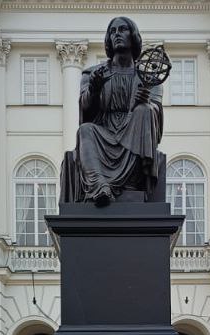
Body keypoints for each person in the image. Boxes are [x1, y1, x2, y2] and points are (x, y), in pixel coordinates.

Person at [60, 16, 165, 205]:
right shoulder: (93, 73)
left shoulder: (148, 77)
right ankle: (99, 187)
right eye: (112, 31)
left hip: (133, 131)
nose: (117, 34)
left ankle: (132, 182)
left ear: (133, 36)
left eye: (122, 29)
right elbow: (85, 111)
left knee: (145, 111)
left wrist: (146, 101)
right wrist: (94, 89)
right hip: (104, 133)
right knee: (85, 130)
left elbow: (156, 109)